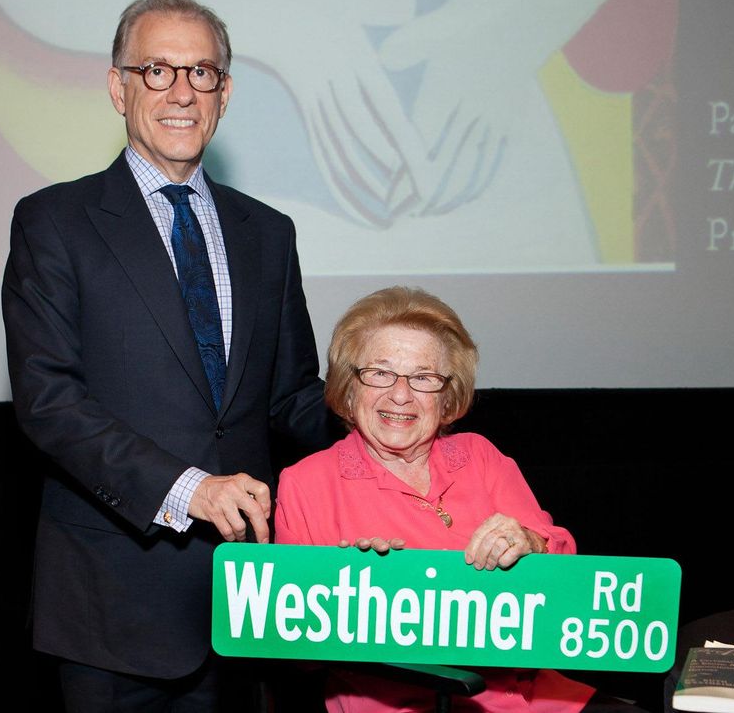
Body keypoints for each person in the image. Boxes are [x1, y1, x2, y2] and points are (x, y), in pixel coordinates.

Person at [1, 0, 332, 712]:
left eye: (202, 72)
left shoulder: (267, 233)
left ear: (226, 91)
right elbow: (50, 403)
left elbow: (291, 397)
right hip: (113, 609)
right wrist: (192, 488)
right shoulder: (55, 223)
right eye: (157, 70)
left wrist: (389, 406)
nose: (182, 91)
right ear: (118, 86)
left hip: (247, 611)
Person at [274, 286, 646, 712]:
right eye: (380, 372)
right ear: (348, 386)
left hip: (538, 697)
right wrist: (349, 599)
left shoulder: (479, 457)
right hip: (406, 703)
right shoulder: (306, 483)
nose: (400, 394)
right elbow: (295, 653)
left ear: (447, 396)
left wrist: (530, 542)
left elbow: (565, 578)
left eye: (424, 378)